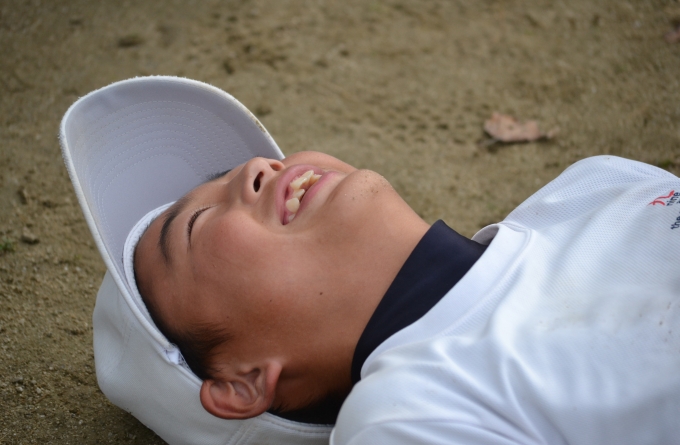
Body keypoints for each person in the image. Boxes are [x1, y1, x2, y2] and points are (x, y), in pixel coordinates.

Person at [61, 77, 680, 445]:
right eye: (195, 226)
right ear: (244, 379)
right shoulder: (410, 417)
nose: (255, 168)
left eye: (225, 172)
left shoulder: (589, 188)